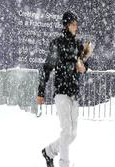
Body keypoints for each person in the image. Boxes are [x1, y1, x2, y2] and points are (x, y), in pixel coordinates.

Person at [37, 11, 91, 167]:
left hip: (74, 92)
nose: (76, 26)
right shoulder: (57, 44)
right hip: (61, 91)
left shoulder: (78, 44)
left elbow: (83, 65)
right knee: (66, 131)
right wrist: (41, 92)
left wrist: (83, 67)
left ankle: (49, 152)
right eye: (73, 24)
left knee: (72, 135)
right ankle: (64, 164)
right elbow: (46, 68)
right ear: (66, 26)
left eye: (76, 24)